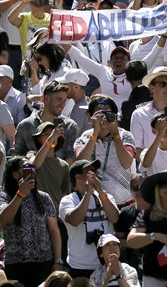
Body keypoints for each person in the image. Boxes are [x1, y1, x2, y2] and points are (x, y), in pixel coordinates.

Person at [0, 156, 63, 286]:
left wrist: (57, 260)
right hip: (16, 264)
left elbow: (54, 230)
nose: (32, 172)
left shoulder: (44, 197)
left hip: (44, 263)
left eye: (32, 168)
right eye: (26, 169)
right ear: (15, 174)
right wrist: (20, 194)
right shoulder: (4, 196)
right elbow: (4, 219)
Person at [60, 159, 120, 278]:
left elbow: (114, 218)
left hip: (106, 264)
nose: (95, 175)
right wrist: (88, 193)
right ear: (78, 177)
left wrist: (100, 192)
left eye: (95, 171)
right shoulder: (68, 200)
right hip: (80, 267)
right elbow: (74, 220)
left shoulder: (105, 196)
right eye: (90, 172)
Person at [15, 80, 78, 163]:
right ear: (46, 99)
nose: (62, 105)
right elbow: (17, 155)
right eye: (59, 99)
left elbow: (72, 156)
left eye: (64, 100)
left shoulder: (70, 126)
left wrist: (57, 171)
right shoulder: (25, 125)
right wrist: (31, 164)